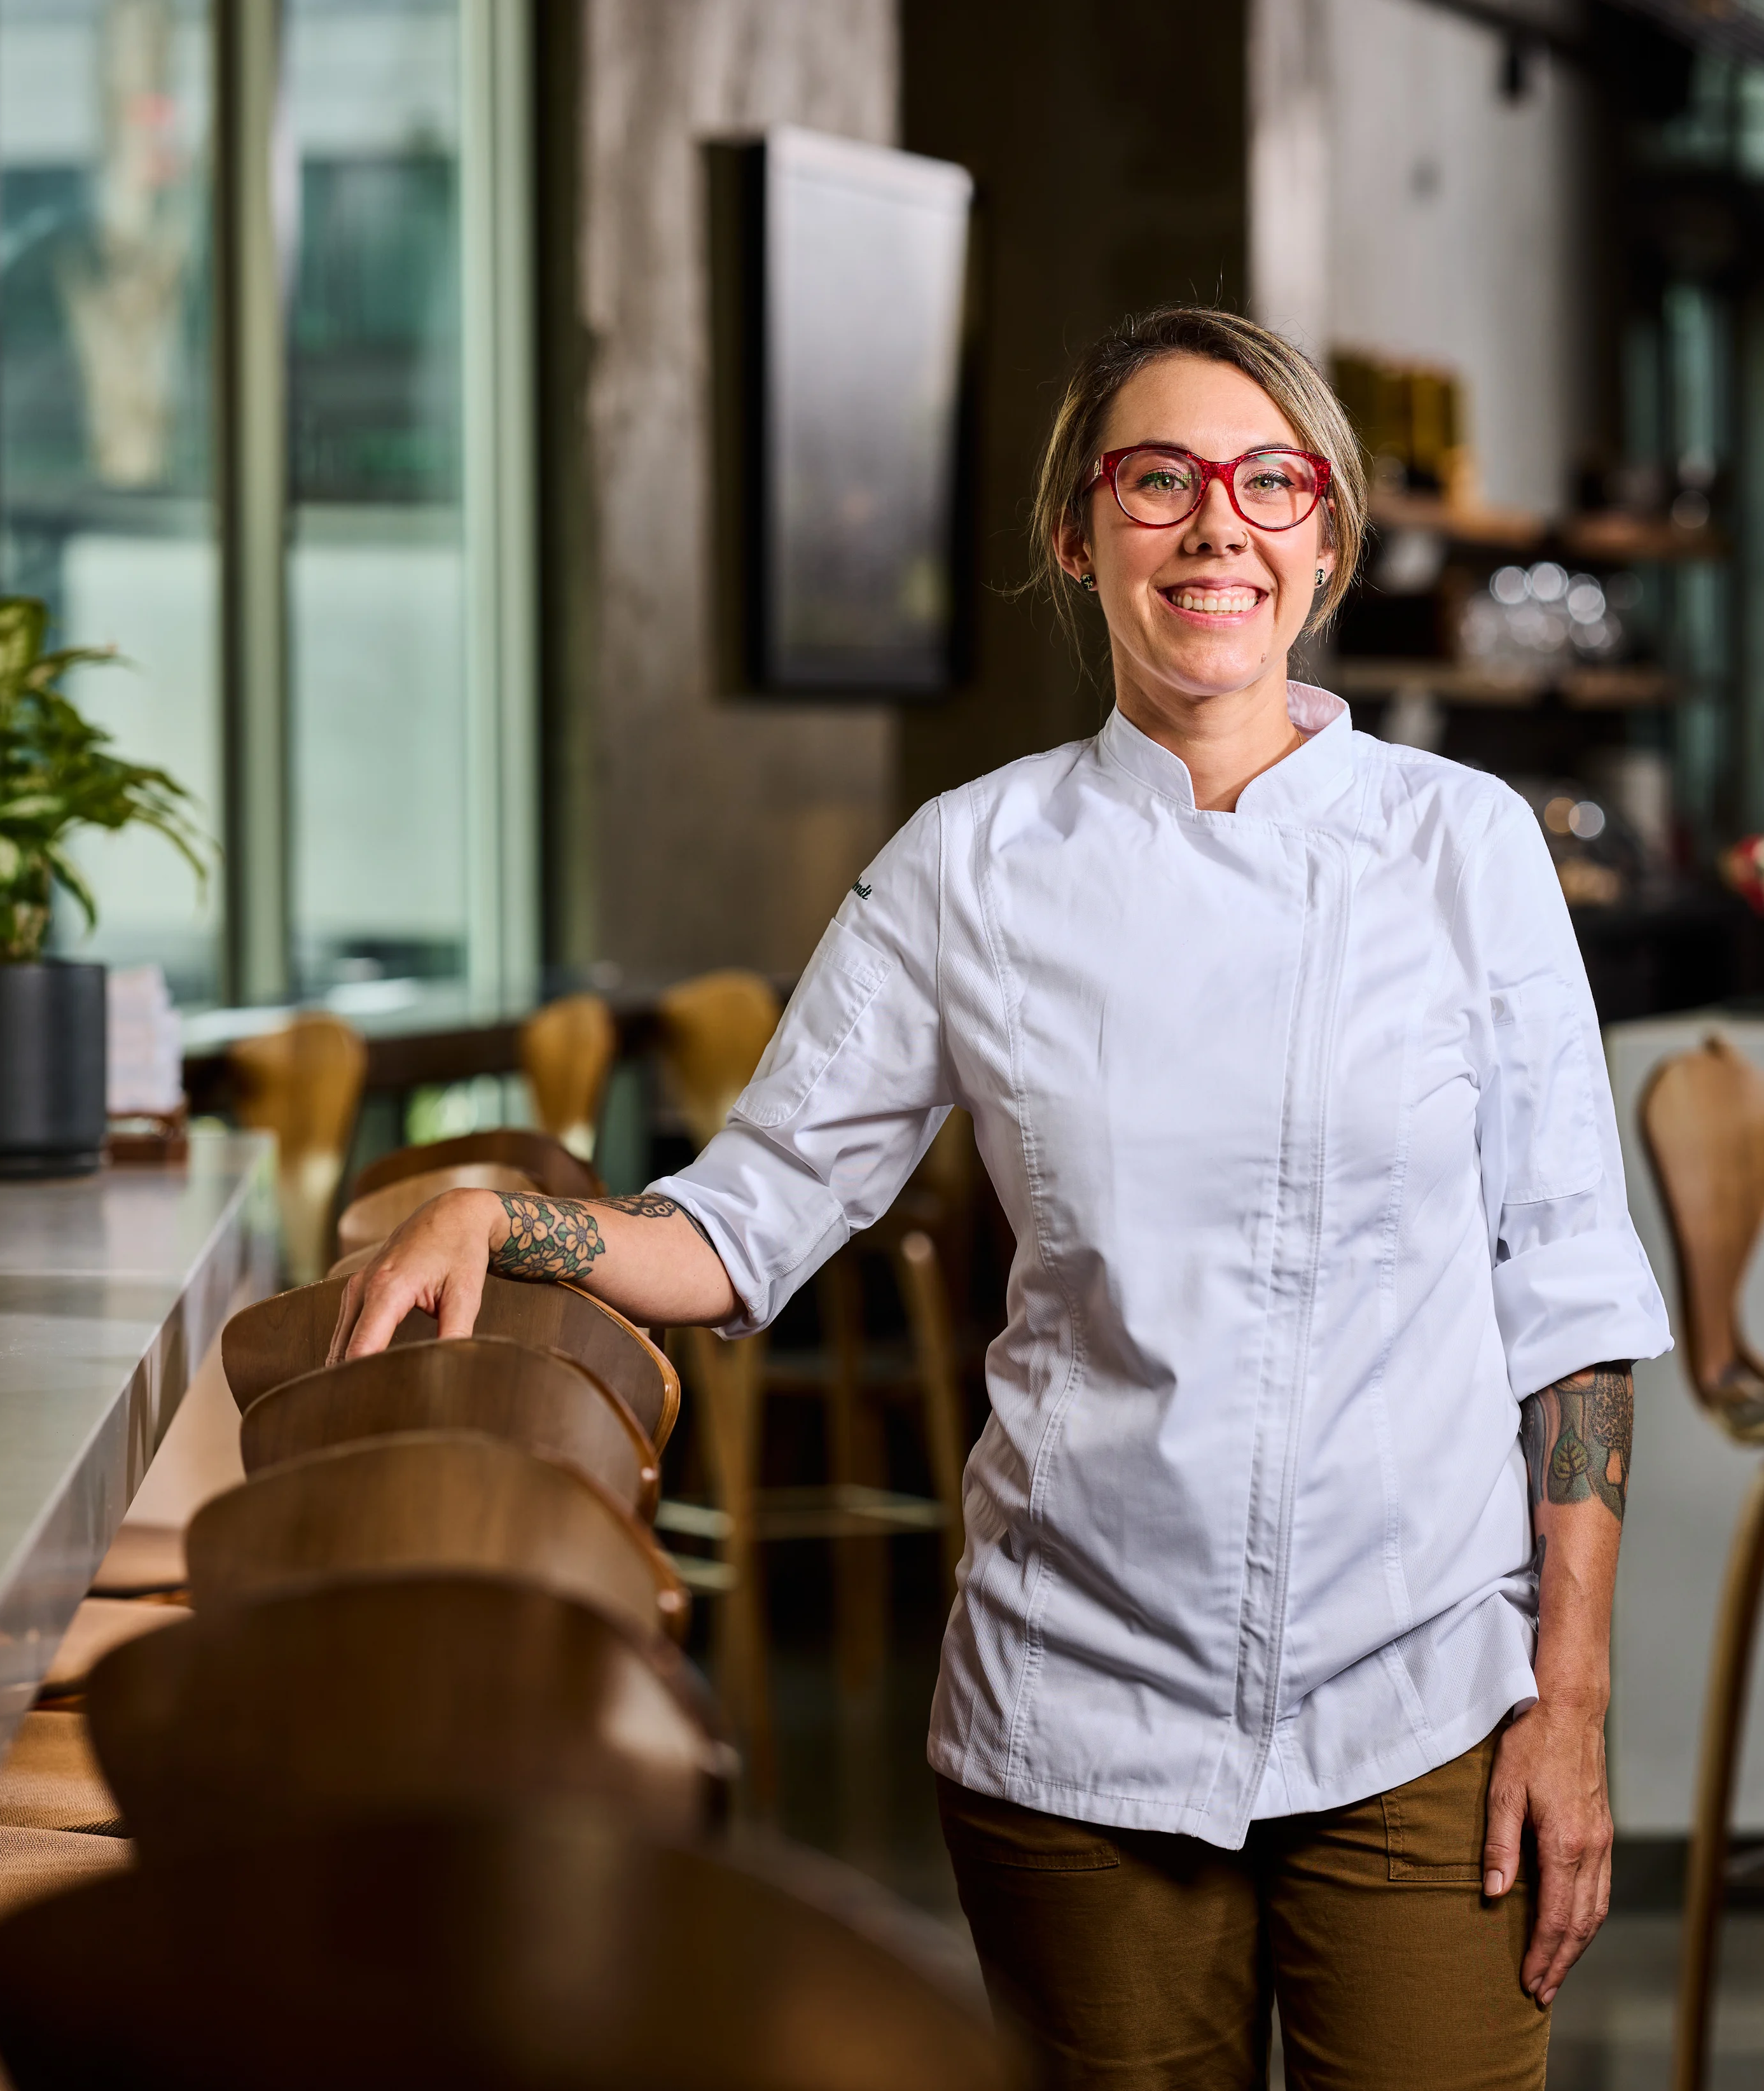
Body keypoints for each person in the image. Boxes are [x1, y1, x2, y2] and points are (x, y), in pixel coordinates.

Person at [336, 304, 1671, 2090]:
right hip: (1080, 1711)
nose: (1219, 527)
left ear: (1330, 543)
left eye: (1271, 482)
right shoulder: (969, 865)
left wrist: (1567, 1701)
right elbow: (747, 1223)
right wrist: (511, 1212)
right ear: (1077, 532)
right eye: (1160, 480)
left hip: (1425, 1693)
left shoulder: (1464, 847)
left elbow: (1571, 1300)